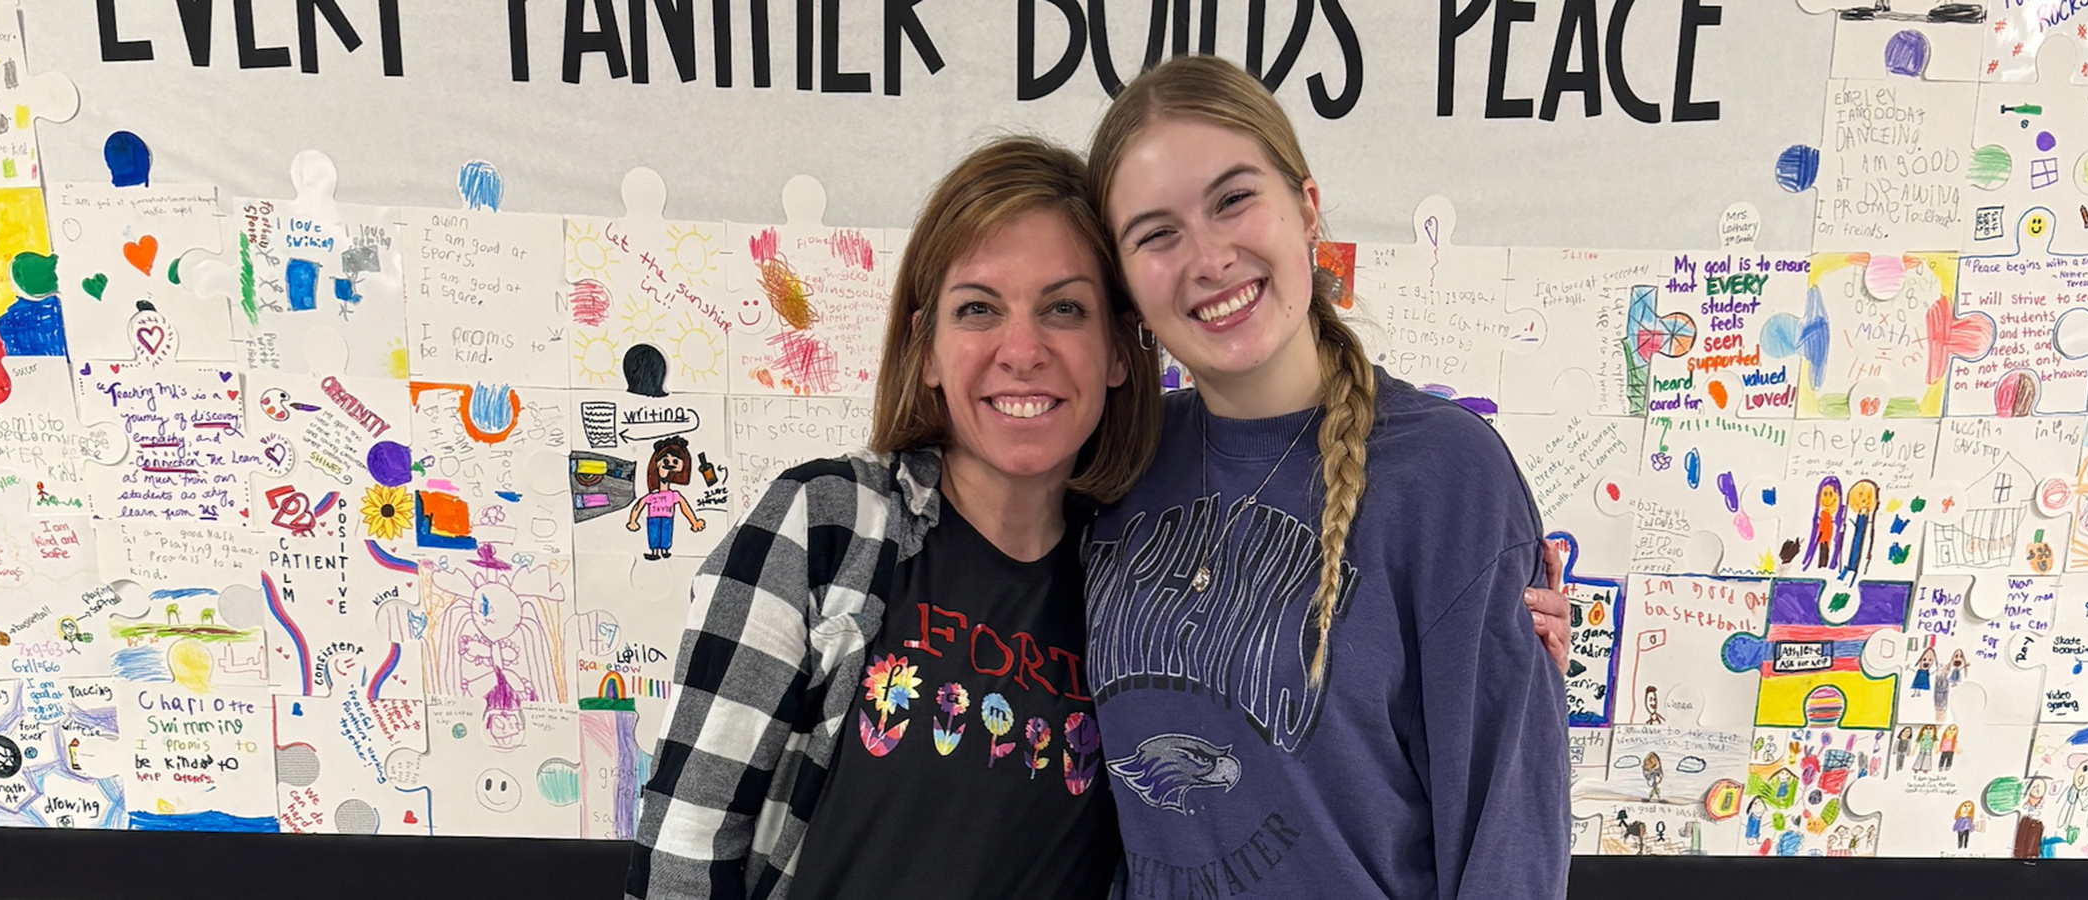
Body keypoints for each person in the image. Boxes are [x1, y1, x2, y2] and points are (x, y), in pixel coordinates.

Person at [1082, 55, 1568, 899]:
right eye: (1156, 234)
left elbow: (1509, 832)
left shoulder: (1450, 476)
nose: (1207, 257)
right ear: (1124, 282)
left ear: (1307, 209)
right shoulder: (1114, 465)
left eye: (1234, 199)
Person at [627, 136, 1161, 899]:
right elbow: (684, 844)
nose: (1022, 349)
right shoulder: (824, 528)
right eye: (978, 308)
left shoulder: (1136, 586)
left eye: (1064, 308)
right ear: (928, 350)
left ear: (1116, 350)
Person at [626, 436, 706, 560]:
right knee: (653, 534)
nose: (668, 466)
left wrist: (694, 521)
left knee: (665, 534)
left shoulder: (674, 495)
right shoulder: (651, 496)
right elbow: (638, 506)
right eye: (665, 461)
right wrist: (632, 520)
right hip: (653, 518)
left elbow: (685, 508)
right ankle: (654, 552)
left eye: (675, 462)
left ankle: (664, 550)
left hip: (667, 517)